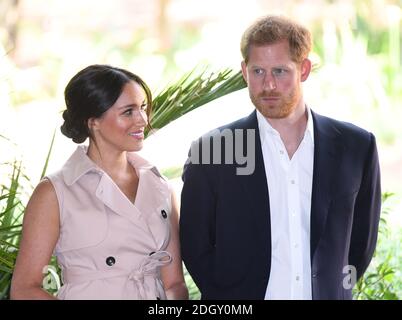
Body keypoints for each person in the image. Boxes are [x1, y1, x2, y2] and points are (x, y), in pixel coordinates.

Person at [180, 15, 381, 299]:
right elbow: (194, 244)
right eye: (258, 72)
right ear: (244, 72)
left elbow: (361, 243)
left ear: (304, 69)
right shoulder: (212, 150)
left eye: (280, 71)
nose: (269, 85)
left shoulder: (357, 146)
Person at [11, 64, 188, 300]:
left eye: (143, 107)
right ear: (93, 121)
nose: (143, 120)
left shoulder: (161, 186)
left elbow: (174, 283)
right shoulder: (55, 191)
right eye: (128, 111)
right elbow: (24, 290)